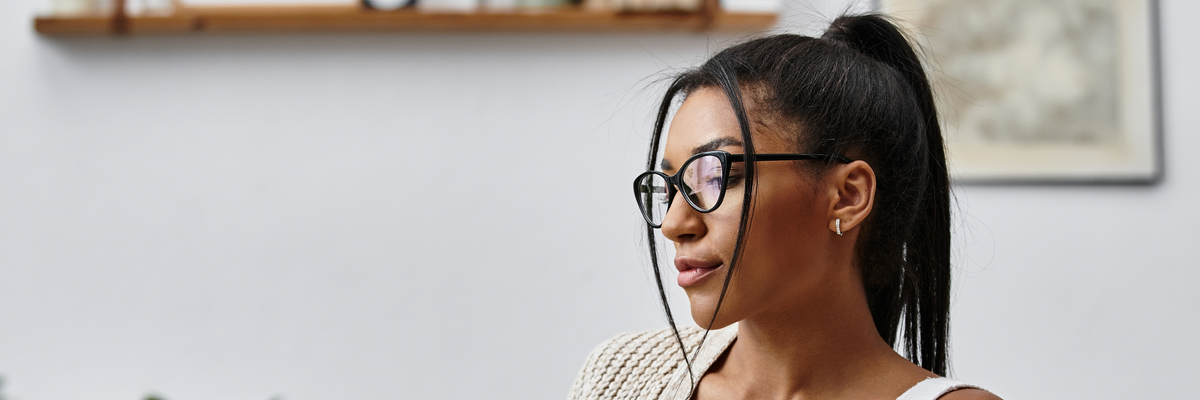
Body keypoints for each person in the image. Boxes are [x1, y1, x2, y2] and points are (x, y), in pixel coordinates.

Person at [567, 14, 1002, 400]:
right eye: (671, 189)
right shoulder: (621, 377)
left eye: (717, 177)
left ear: (848, 196)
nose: (674, 225)